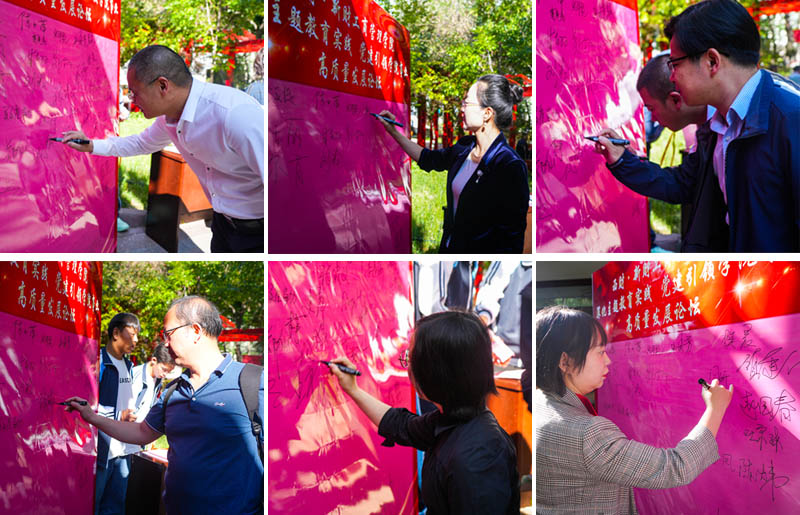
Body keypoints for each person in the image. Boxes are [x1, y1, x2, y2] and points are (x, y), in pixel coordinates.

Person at [65, 296, 264, 514]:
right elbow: (142, 432)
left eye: (168, 334)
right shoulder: (173, 391)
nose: (165, 343)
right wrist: (92, 417)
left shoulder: (254, 383)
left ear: (195, 331)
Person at [61, 45, 265, 253]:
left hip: (260, 230)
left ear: (162, 86)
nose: (132, 100)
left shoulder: (234, 114)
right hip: (223, 223)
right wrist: (91, 145)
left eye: (134, 92)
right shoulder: (170, 117)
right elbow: (140, 143)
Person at [535, 306, 734, 513]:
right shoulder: (588, 433)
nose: (608, 360)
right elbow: (675, 468)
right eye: (600, 352)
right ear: (565, 362)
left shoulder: (541, 401)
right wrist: (715, 408)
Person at [328, 311, 519, 513]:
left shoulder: (476, 460)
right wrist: (353, 389)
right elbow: (401, 425)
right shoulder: (455, 418)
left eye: (411, 359)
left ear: (436, 373)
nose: (408, 367)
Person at [665, 0, 800, 251]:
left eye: (675, 64)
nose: (672, 77)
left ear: (712, 61)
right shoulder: (717, 125)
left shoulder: (790, 119)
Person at [376, 75, 529, 253]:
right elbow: (428, 158)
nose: (461, 109)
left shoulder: (509, 165)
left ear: (487, 113)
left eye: (466, 103)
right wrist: (393, 132)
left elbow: (511, 240)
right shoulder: (464, 147)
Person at [594, 54, 728, 252]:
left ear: (675, 100)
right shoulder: (708, 130)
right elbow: (681, 184)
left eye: (651, 108)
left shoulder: (730, 128)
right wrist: (623, 160)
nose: (653, 119)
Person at [95, 313, 140, 515]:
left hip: (124, 449)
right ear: (115, 333)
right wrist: (119, 417)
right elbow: (88, 406)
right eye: (132, 334)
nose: (136, 340)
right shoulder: (99, 363)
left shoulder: (129, 366)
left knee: (116, 506)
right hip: (103, 451)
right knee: (95, 503)